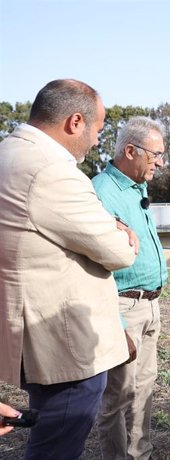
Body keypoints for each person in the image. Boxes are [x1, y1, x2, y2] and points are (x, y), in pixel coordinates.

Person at [0, 79, 138, 459]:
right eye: (97, 129)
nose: (97, 141)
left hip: (32, 334)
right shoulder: (51, 171)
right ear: (75, 122)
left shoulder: (8, 154)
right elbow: (118, 252)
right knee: (57, 446)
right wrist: (122, 232)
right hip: (65, 348)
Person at [93, 116, 169, 460]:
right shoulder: (101, 192)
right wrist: (118, 324)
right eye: (156, 155)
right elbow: (93, 268)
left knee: (143, 391)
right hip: (121, 307)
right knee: (118, 397)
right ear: (130, 151)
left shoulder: (138, 189)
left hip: (149, 305)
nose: (161, 163)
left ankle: (141, 454)